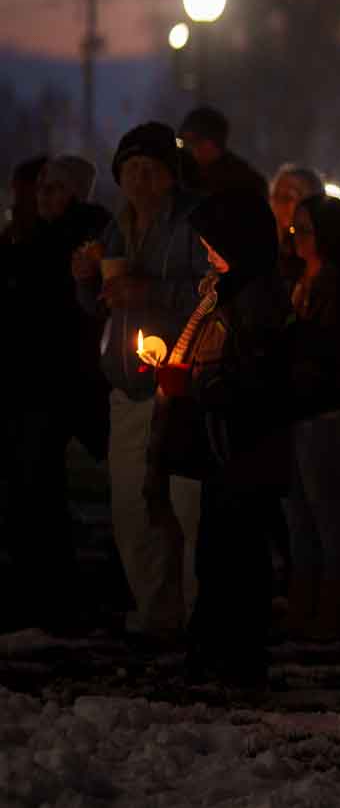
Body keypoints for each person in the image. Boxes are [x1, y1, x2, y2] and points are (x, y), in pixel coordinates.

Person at [72, 123, 208, 641]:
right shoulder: (116, 229)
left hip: (182, 387)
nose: (139, 178)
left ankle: (202, 613)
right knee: (133, 508)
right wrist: (86, 279)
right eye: (129, 168)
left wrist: (150, 292)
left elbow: (212, 290)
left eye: (150, 167)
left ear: (171, 175)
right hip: (129, 389)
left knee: (188, 506)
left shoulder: (194, 221)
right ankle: (157, 614)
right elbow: (97, 306)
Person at [163, 189, 295, 687]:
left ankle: (237, 655)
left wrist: (208, 384)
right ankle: (218, 649)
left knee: (237, 554)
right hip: (228, 445)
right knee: (220, 550)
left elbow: (257, 374)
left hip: (244, 444)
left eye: (214, 244)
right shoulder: (229, 289)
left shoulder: (255, 296)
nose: (208, 252)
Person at [3, 154, 109, 629]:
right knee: (35, 487)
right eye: (41, 188)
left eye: (54, 188)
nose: (43, 196)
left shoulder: (79, 241)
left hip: (60, 377)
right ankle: (45, 587)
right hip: (41, 377)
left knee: (39, 485)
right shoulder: (37, 238)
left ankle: (52, 591)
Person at [284, 193, 340, 639]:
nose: (296, 237)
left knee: (326, 511)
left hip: (324, 409)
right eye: (293, 228)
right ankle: (304, 597)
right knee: (298, 511)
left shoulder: (339, 283)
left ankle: (334, 602)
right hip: (297, 407)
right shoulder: (300, 276)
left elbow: (327, 346)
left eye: (306, 229)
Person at [178, 105, 270, 203]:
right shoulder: (180, 176)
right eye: (181, 142)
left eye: (191, 141)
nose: (185, 148)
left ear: (212, 143)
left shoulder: (246, 182)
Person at [269, 164, 324, 284]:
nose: (278, 205)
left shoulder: (316, 257)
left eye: (287, 197)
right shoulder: (267, 250)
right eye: (275, 196)